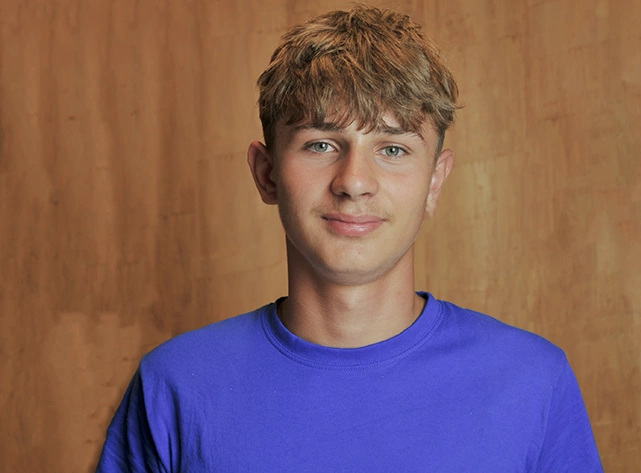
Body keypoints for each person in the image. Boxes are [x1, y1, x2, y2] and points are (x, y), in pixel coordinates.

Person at [96, 5, 604, 472]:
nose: (354, 181)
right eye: (321, 144)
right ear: (267, 173)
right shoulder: (175, 386)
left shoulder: (533, 383)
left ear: (435, 182)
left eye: (393, 149)